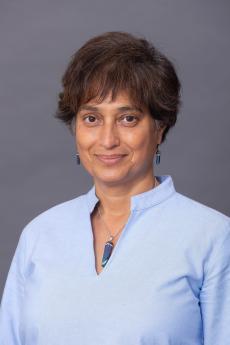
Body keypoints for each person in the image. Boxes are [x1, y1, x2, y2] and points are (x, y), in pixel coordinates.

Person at [0, 31, 229, 345]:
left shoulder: (213, 238)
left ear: (159, 127)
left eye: (128, 118)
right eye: (92, 118)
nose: (108, 140)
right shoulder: (39, 235)